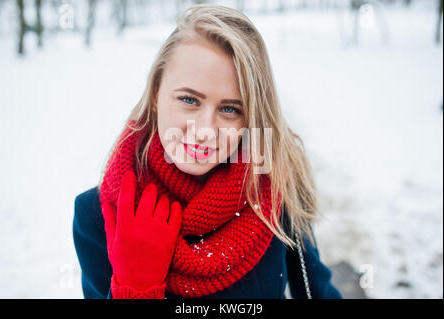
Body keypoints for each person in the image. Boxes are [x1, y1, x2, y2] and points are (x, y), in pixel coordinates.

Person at [73, 4, 342, 299]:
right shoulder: (98, 214)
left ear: (250, 118)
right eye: (189, 100)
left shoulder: (274, 185)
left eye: (229, 109)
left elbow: (318, 291)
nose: (205, 130)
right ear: (155, 95)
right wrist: (135, 289)